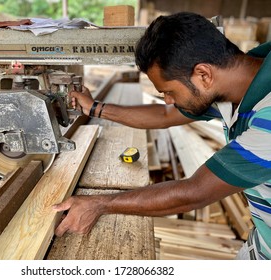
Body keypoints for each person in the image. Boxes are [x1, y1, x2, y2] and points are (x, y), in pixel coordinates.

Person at [53, 12, 271, 260]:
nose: (167, 100)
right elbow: (166, 115)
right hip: (261, 243)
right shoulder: (243, 76)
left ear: (204, 74)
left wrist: (99, 204)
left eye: (168, 91)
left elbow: (194, 192)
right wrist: (93, 108)